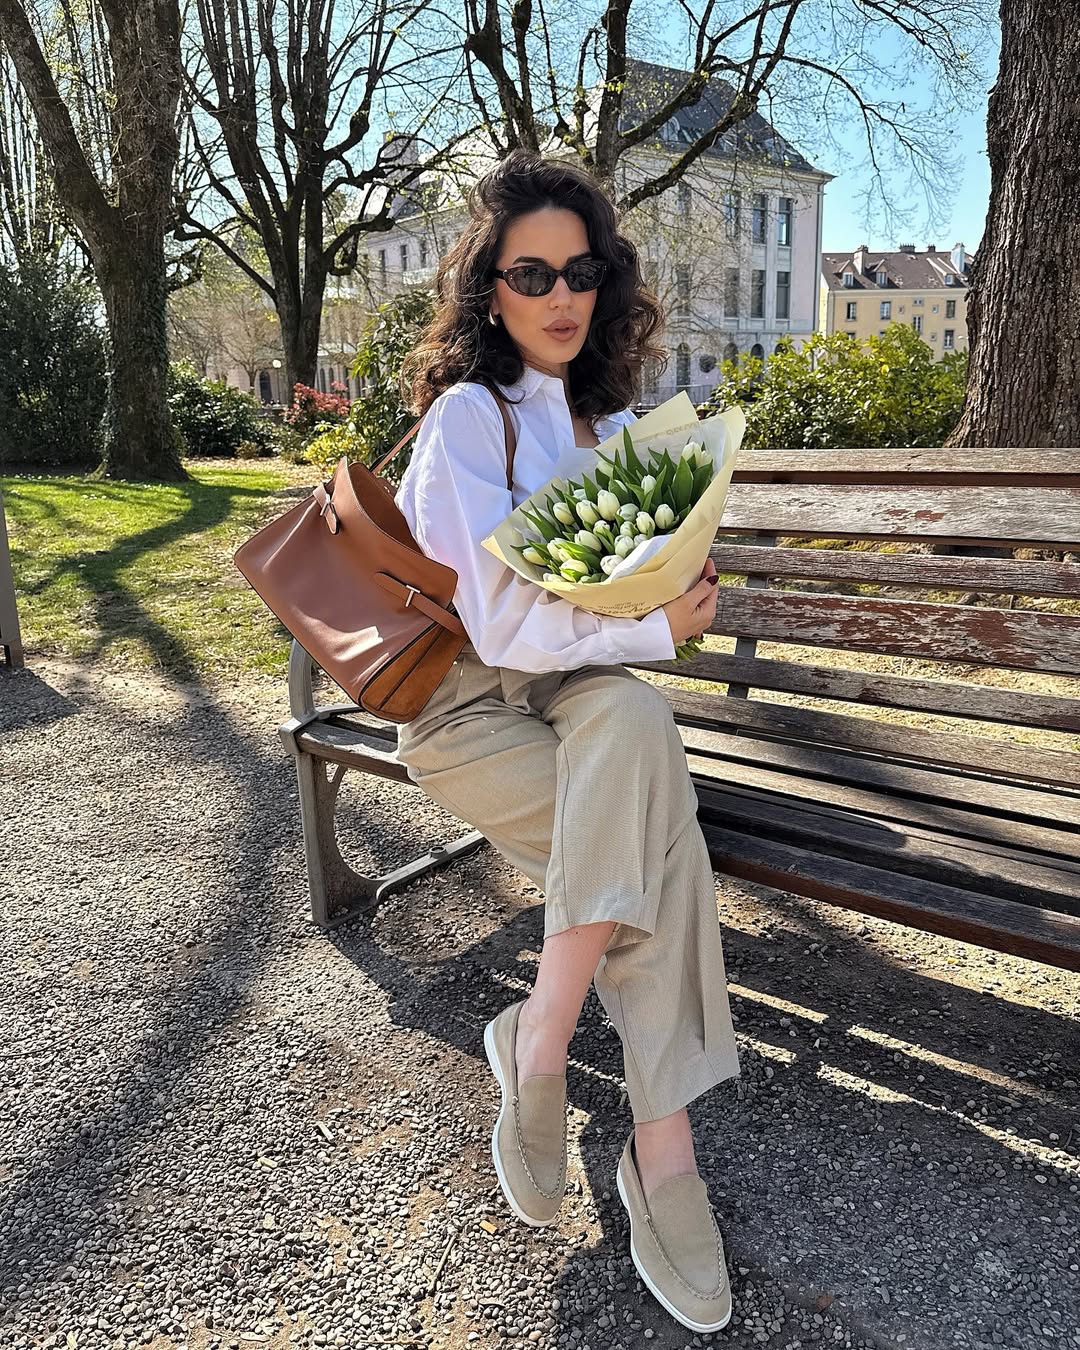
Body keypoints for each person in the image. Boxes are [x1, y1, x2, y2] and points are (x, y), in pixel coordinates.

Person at [393, 148, 741, 1334]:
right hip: (469, 705)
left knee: (634, 721)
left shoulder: (615, 427)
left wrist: (679, 589)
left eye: (580, 272)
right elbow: (499, 625)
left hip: (582, 693)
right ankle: (657, 1150)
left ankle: (543, 1042)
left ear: (605, 283)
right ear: (488, 289)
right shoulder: (468, 419)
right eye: (529, 273)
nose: (559, 296)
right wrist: (652, 627)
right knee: (647, 831)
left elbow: (626, 597)